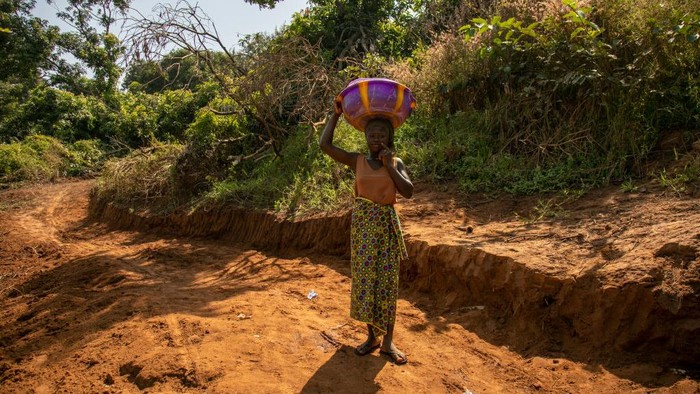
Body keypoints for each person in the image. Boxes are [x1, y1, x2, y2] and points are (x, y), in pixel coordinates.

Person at [319, 99, 414, 365]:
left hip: (386, 227)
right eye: (371, 134)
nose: (376, 138)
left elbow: (407, 191)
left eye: (381, 134)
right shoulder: (356, 161)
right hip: (363, 229)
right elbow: (325, 145)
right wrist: (335, 114)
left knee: (386, 283)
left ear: (389, 136)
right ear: (365, 137)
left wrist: (389, 166)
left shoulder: (396, 162)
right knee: (366, 283)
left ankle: (387, 343)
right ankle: (371, 337)